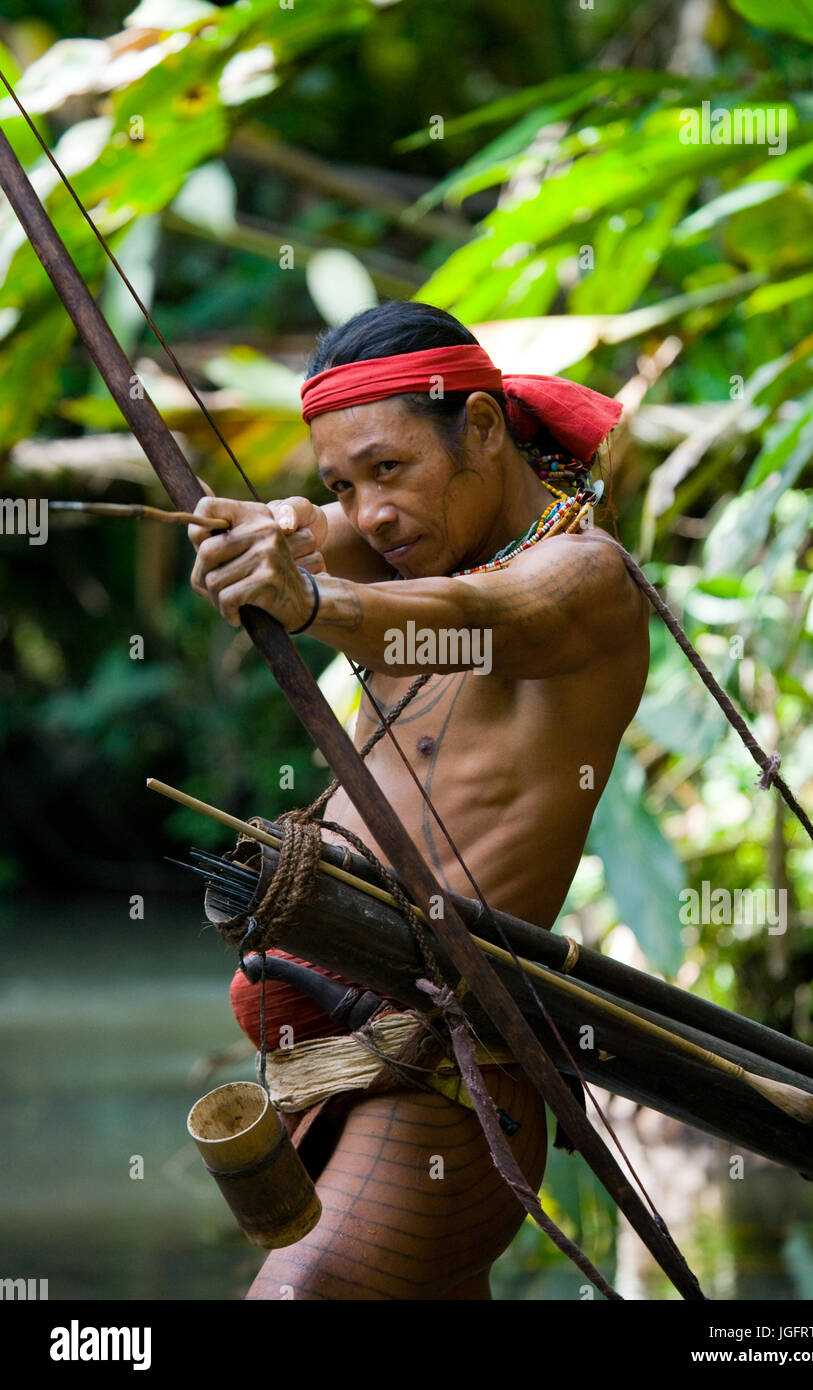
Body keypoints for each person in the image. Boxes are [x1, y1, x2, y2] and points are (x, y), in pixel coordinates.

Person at [188, 301, 650, 1300]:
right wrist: (264, 533)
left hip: (448, 1074)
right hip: (339, 1076)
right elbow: (307, 536)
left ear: (481, 427)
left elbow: (473, 622)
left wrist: (310, 601)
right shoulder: (399, 548)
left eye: (389, 468)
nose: (371, 511)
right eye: (343, 483)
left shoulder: (584, 578)